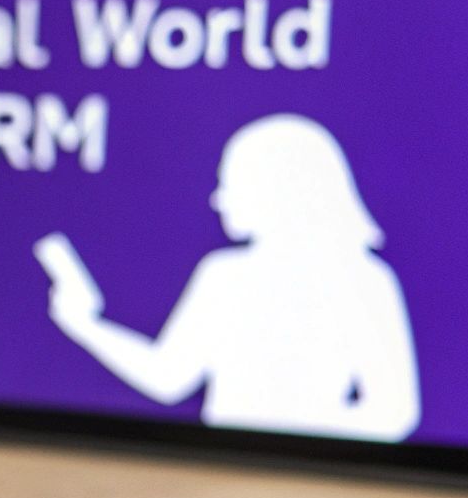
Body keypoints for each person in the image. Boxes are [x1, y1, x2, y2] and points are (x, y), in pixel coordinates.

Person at [40, 114, 421, 443]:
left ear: (277, 190)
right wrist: (84, 325)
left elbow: (393, 414)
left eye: (230, 182)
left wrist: (277, 429)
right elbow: (168, 377)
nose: (219, 199)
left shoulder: (366, 281)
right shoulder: (222, 274)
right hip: (222, 483)